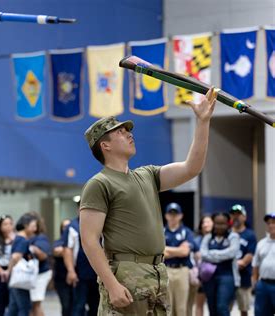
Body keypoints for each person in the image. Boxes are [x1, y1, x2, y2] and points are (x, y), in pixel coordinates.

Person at [79, 87, 217, 315]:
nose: (129, 134)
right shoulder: (99, 183)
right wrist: (111, 284)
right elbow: (90, 240)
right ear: (105, 146)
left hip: (158, 272)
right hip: (126, 274)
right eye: (121, 132)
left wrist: (203, 123)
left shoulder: (147, 175)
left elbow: (192, 168)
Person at [200, 212, 240, 316]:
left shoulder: (233, 237)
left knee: (222, 307)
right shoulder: (208, 237)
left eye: (223, 223)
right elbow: (203, 254)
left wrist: (212, 254)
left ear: (228, 224)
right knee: (212, 308)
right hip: (209, 277)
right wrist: (221, 255)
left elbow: (232, 253)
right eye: (217, 223)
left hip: (227, 276)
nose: (219, 226)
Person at [163, 202, 195, 316]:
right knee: (168, 306)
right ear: (166, 215)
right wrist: (178, 250)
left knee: (182, 307)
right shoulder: (162, 231)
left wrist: (167, 250)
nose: (173, 217)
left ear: (180, 215)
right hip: (166, 269)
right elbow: (161, 252)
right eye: (170, 214)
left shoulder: (186, 232)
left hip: (182, 270)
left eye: (175, 214)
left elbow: (185, 252)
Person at [63, 216, 99, 316]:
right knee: (79, 305)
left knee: (96, 305)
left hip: (97, 273)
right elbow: (67, 250)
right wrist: (71, 271)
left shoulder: (99, 223)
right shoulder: (73, 226)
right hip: (80, 273)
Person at [6, 214, 37, 316]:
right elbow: (15, 257)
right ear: (25, 225)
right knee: (24, 307)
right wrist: (9, 271)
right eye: (33, 226)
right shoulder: (23, 240)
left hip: (15, 278)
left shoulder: (17, 238)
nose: (35, 229)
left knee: (13, 308)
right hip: (20, 278)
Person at [229, 204, 257, 316]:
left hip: (243, 277)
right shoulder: (228, 233)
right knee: (225, 307)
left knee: (244, 308)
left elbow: (248, 257)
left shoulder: (250, 235)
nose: (236, 217)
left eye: (239, 214)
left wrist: (234, 264)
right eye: (233, 214)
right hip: (228, 277)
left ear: (244, 217)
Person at [188, 214, 213, 316]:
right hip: (200, 275)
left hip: (214, 275)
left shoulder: (216, 239)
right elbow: (191, 257)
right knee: (199, 305)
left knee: (214, 305)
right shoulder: (196, 240)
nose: (206, 224)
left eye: (208, 222)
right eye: (204, 222)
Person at [28, 212, 52, 316]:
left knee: (36, 304)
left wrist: (32, 249)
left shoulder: (40, 237)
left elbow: (43, 256)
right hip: (33, 274)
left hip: (41, 273)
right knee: (33, 304)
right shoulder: (28, 237)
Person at [252, 212, 275, 316]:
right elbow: (255, 265)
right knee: (261, 313)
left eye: (274, 222)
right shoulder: (261, 243)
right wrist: (255, 284)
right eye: (268, 223)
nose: (271, 225)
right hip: (263, 284)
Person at [52, 219, 72, 316]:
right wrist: (71, 251)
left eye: (68, 226)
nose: (67, 228)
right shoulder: (58, 241)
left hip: (76, 279)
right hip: (61, 280)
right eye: (64, 226)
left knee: (77, 306)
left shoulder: (77, 240)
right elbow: (57, 251)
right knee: (66, 305)